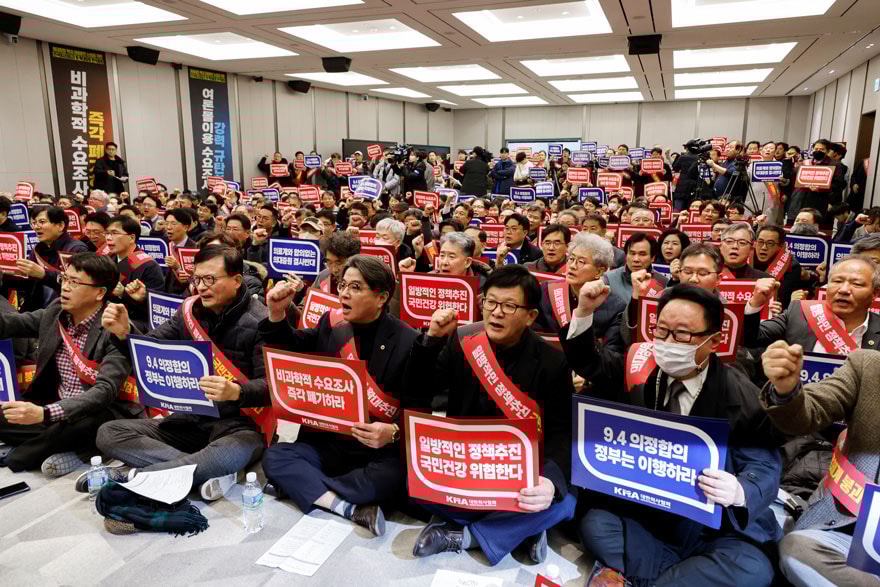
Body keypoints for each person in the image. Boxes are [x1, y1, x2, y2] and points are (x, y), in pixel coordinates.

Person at [563, 283, 781, 586]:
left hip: (714, 526)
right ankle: (672, 578)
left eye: (681, 334)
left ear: (714, 341)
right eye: (661, 331)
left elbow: (765, 464)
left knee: (752, 569)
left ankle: (641, 576)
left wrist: (741, 490)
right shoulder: (640, 369)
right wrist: (584, 311)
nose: (667, 343)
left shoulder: (742, 395)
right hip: (651, 512)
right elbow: (590, 362)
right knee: (594, 523)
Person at [404, 265, 577, 565]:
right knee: (412, 484)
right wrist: (431, 340)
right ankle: (523, 529)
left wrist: (547, 481)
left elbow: (562, 432)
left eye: (509, 306)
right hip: (467, 463)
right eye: (490, 302)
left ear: (531, 316)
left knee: (565, 500)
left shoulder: (552, 361)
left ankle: (464, 537)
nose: (496, 313)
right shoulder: (462, 340)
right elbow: (420, 389)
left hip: (521, 470)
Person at [96, 245, 272, 500]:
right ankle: (205, 472)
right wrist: (125, 334)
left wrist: (237, 391)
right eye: (197, 279)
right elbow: (151, 350)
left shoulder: (262, 323)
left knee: (224, 455)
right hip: (191, 420)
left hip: (240, 426)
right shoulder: (188, 312)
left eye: (210, 279)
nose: (201, 287)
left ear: (236, 281)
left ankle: (134, 477)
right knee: (109, 433)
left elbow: (273, 387)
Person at [259, 256, 418, 536]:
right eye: (343, 285)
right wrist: (276, 313)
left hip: (376, 450)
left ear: (381, 297)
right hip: (327, 441)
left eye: (355, 287)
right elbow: (293, 348)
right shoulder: (331, 322)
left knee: (395, 479)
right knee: (275, 458)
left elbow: (419, 409)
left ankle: (307, 486)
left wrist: (392, 432)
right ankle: (348, 507)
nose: (343, 293)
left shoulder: (408, 340)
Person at [0, 253, 139, 476]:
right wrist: (42, 412)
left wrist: (43, 414)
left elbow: (104, 393)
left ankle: (29, 452)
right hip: (54, 407)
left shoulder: (114, 326)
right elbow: (13, 323)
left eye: (75, 282)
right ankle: (71, 449)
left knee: (84, 427)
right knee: (9, 414)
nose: (65, 287)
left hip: (97, 413)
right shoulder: (57, 312)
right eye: (65, 278)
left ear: (99, 292)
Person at [761, 341, 880, 587]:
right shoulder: (868, 366)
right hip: (841, 530)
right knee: (796, 550)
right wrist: (786, 390)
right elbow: (809, 412)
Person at [744, 255, 880, 351]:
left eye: (856, 284)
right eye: (837, 281)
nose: (843, 290)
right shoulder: (799, 313)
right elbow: (749, 339)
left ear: (875, 293)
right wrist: (756, 304)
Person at [535, 232, 625, 350]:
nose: (572, 266)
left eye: (581, 262)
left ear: (599, 272)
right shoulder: (546, 290)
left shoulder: (616, 307)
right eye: (571, 259)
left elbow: (611, 356)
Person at [16, 206, 90, 312]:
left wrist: (44, 274)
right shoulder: (38, 249)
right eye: (34, 223)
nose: (37, 227)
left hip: (63, 311)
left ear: (60, 225)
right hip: (38, 311)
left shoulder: (76, 249)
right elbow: (28, 285)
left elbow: (78, 284)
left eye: (42, 222)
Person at [603, 233, 668, 301]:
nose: (636, 259)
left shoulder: (663, 282)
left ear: (653, 258)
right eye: (632, 253)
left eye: (642, 254)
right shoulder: (609, 279)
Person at [751, 224, 802, 310]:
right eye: (760, 242)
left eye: (770, 243)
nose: (764, 247)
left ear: (781, 246)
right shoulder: (747, 257)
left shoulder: (791, 266)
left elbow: (784, 300)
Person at [162, 208, 199, 296]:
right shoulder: (166, 245)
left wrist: (178, 268)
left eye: (173, 223)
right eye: (166, 223)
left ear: (185, 227)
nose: (169, 227)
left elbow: (195, 282)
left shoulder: (195, 249)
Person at [315, 231, 360, 295]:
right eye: (329, 262)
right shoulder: (323, 276)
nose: (334, 270)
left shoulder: (364, 282)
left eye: (339, 263)